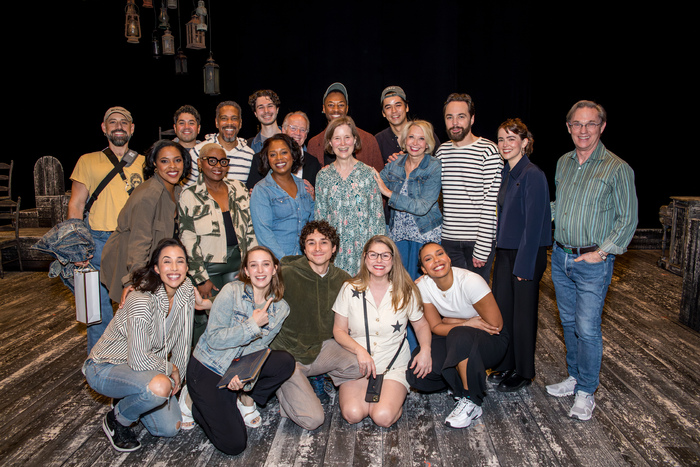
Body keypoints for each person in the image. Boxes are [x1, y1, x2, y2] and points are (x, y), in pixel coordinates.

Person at [545, 100, 638, 421]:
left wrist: (601, 253)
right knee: (568, 324)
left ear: (602, 127)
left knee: (587, 327)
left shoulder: (617, 168)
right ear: (568, 127)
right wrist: (532, 216)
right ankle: (574, 377)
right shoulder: (564, 163)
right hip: (560, 256)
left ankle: (586, 391)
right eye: (577, 124)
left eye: (590, 124)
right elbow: (560, 206)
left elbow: (628, 219)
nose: (583, 130)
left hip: (593, 262)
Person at [83, 238, 210, 452]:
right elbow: (139, 358)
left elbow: (183, 340)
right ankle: (118, 420)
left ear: (187, 268)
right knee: (160, 387)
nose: (174, 268)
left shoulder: (186, 288)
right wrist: (171, 370)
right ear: (156, 268)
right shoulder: (141, 300)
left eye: (180, 262)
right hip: (106, 366)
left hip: (146, 368)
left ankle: (134, 395)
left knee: (171, 427)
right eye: (167, 262)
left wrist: (178, 383)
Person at [183, 246, 295, 455]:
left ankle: (239, 398)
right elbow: (214, 339)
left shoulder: (281, 308)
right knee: (234, 445)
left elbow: (258, 347)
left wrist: (244, 378)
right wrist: (253, 324)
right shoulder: (231, 291)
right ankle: (196, 405)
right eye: (254, 265)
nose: (260, 270)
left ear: (274, 269)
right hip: (207, 366)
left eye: (266, 264)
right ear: (246, 270)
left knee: (285, 362)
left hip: (233, 368)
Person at [66, 106, 145, 354]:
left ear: (132, 129)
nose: (118, 126)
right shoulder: (87, 160)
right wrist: (77, 246)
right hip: (98, 240)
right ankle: (100, 362)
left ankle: (134, 358)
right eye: (113, 122)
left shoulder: (145, 162)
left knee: (136, 305)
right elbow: (77, 203)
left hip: (134, 241)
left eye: (124, 122)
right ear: (104, 128)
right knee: (96, 309)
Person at [332, 235, 432, 427]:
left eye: (385, 256)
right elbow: (338, 330)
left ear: (393, 260)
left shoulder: (406, 290)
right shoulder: (349, 288)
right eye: (374, 255)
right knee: (352, 414)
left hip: (393, 365)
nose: (379, 261)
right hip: (357, 364)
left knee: (382, 417)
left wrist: (425, 349)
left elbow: (421, 325)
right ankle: (375, 399)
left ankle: (391, 400)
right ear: (365, 258)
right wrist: (360, 351)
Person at [271, 220, 362, 430]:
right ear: (304, 249)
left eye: (324, 242)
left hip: (320, 350)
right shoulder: (286, 274)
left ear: (334, 249)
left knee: (362, 364)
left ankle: (309, 383)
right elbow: (254, 292)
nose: (318, 248)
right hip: (288, 356)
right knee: (313, 420)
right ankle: (285, 386)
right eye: (311, 243)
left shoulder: (342, 279)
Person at [406, 242, 507, 429]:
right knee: (417, 375)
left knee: (460, 336)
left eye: (440, 254)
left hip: (492, 341)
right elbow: (436, 326)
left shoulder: (470, 281)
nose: (436, 261)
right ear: (423, 269)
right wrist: (464, 322)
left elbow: (495, 325)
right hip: (458, 334)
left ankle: (471, 401)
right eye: (428, 259)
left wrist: (450, 322)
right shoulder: (424, 286)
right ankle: (458, 383)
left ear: (449, 257)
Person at [488, 118, 552, 392]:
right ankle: (506, 364)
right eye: (501, 139)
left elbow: (535, 225)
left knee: (523, 316)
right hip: (505, 253)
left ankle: (524, 372)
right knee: (505, 312)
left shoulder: (533, 174)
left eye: (511, 139)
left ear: (525, 142)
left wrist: (524, 268)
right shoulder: (506, 172)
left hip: (526, 254)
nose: (505, 144)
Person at [178, 142, 258, 345]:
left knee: (236, 314)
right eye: (211, 161)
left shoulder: (238, 188)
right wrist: (200, 277)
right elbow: (187, 238)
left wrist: (252, 263)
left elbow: (249, 228)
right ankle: (199, 367)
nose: (218, 166)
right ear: (200, 163)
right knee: (204, 319)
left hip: (238, 262)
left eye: (223, 161)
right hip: (208, 268)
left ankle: (230, 364)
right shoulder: (190, 195)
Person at [374, 119, 442, 352]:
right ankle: (399, 346)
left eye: (421, 138)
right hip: (398, 235)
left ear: (428, 143)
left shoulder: (433, 166)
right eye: (411, 137)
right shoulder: (396, 164)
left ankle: (421, 348)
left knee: (421, 292)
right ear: (404, 140)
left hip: (424, 236)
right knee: (400, 290)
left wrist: (388, 193)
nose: (415, 142)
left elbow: (423, 206)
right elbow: (374, 181)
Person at [100, 140, 191, 304]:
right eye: (165, 161)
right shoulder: (149, 194)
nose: (172, 166)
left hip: (157, 264)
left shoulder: (177, 191)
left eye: (177, 160)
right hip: (132, 263)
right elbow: (139, 241)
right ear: (154, 164)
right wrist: (134, 282)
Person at [436, 93, 503, 283]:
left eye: (461, 116)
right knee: (455, 297)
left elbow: (491, 203)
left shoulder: (488, 151)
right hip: (448, 239)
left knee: (477, 300)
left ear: (472, 119)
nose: (455, 122)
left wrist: (482, 247)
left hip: (477, 240)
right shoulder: (442, 152)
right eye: (449, 117)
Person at [314, 116, 387, 276]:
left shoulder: (369, 174)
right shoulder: (323, 176)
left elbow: (378, 220)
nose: (342, 143)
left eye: (347, 137)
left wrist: (377, 255)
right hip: (334, 255)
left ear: (355, 140)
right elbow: (320, 219)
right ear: (330, 143)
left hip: (364, 253)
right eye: (337, 138)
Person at [250, 134, 315, 261]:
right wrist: (285, 263)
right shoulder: (262, 190)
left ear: (293, 154)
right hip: (278, 263)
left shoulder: (304, 186)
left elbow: (313, 224)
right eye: (273, 154)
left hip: (305, 262)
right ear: (267, 158)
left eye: (284, 152)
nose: (279, 158)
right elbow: (264, 234)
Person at [306, 82, 384, 172]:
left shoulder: (368, 140)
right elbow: (311, 179)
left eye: (341, 105)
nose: (336, 109)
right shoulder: (314, 144)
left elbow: (380, 177)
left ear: (347, 109)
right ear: (324, 108)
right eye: (331, 105)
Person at [247, 111, 321, 191]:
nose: (298, 133)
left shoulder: (313, 163)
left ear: (306, 135)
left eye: (303, 130)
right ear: (283, 130)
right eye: (293, 128)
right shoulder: (260, 159)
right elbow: (251, 192)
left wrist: (313, 196)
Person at [185, 101, 254, 186]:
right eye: (224, 118)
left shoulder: (250, 155)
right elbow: (187, 189)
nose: (229, 123)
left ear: (240, 123)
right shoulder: (198, 151)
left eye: (234, 118)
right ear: (217, 122)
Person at [374, 86, 441, 164]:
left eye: (398, 105)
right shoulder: (378, 140)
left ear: (406, 107)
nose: (394, 111)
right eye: (388, 107)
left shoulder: (425, 132)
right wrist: (389, 167)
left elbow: (440, 164)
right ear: (383, 113)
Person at [247, 89, 282, 154]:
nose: (266, 111)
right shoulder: (249, 146)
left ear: (277, 109)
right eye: (261, 107)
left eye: (270, 106)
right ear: (255, 113)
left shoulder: (292, 140)